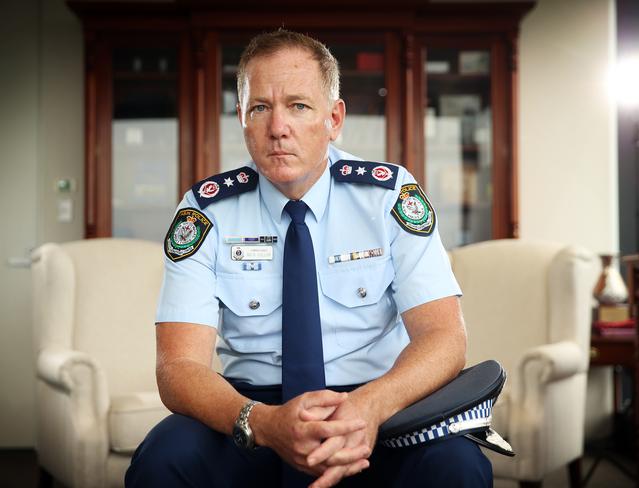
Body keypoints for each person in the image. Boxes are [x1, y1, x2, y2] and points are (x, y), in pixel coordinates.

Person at [125, 29, 492, 488]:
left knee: (457, 465)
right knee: (163, 460)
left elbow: (444, 337)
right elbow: (178, 368)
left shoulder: (387, 196)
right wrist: (262, 423)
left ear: (334, 118)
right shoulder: (205, 212)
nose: (278, 127)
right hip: (254, 408)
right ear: (241, 117)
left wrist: (369, 408)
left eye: (298, 106)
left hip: (376, 400)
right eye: (260, 107)